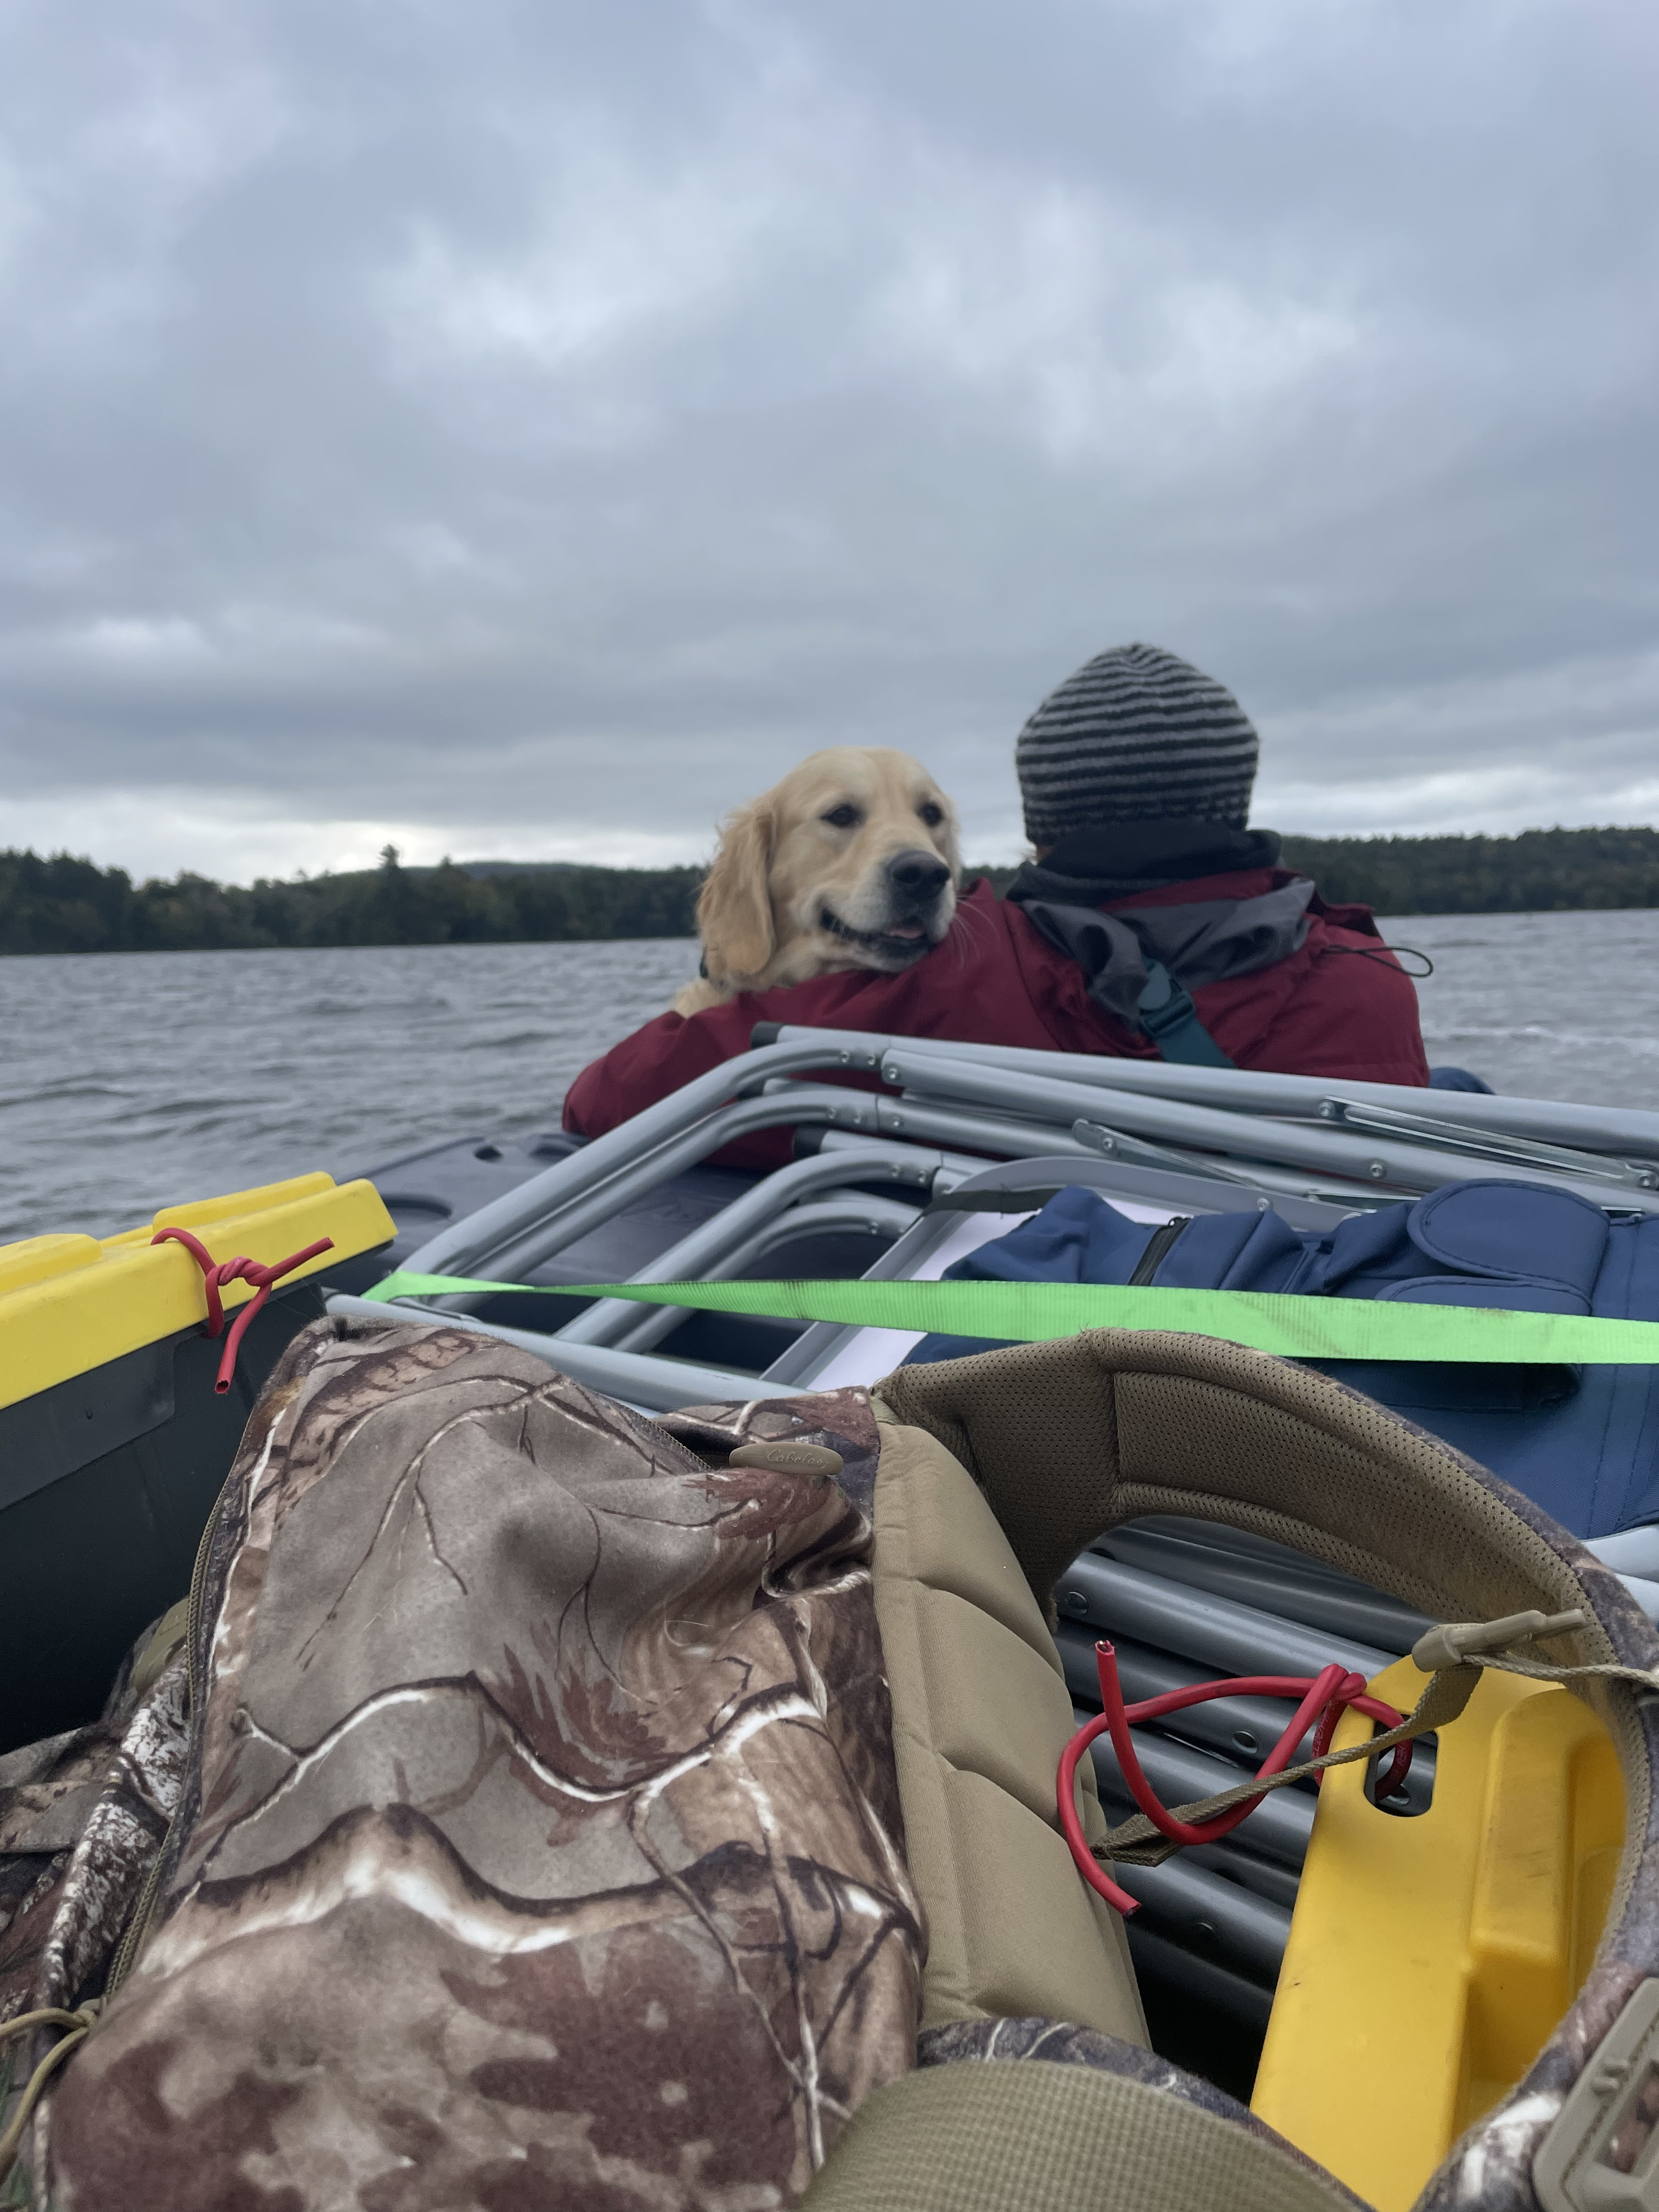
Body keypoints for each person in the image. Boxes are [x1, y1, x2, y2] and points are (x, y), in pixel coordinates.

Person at [563, 643, 1430, 1161]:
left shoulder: (965, 982)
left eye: (930, 820)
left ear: (1044, 828)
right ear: (1234, 802)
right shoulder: (1370, 978)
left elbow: (609, 1099)